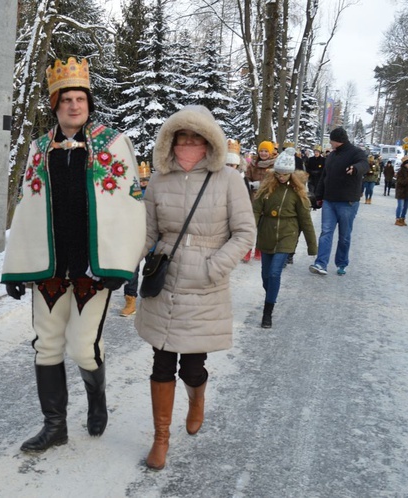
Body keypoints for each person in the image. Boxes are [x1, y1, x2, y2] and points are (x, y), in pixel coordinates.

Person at [1, 57, 146, 452]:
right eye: (66, 99)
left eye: (80, 98)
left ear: (89, 103)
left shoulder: (113, 145)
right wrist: (17, 269)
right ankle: (55, 426)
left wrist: (121, 266)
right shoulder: (38, 149)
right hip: (50, 269)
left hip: (91, 270)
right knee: (46, 345)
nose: (74, 105)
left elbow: (131, 206)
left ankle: (96, 399)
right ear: (55, 104)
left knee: (83, 347)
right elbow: (26, 210)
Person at [135, 105, 256, 470]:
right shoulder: (159, 179)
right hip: (165, 280)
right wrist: (123, 265)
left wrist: (214, 266)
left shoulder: (229, 180)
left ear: (209, 141)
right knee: (161, 363)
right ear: (170, 141)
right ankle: (161, 439)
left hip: (204, 284)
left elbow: (245, 232)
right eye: (181, 137)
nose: (188, 144)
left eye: (195, 138)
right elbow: (148, 232)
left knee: (191, 367)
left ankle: (196, 397)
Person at [253, 148, 317, 328]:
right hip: (267, 233)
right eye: (279, 174)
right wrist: (250, 228)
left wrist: (313, 246)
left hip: (287, 234)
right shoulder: (267, 188)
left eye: (285, 174)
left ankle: (267, 312)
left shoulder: (297, 192)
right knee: (266, 275)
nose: (281, 177)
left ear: (291, 174)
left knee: (274, 272)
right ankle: (270, 295)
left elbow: (305, 220)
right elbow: (256, 210)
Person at [309, 127, 367, 276]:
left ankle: (342, 263)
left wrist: (355, 168)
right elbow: (324, 177)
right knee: (326, 232)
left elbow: (364, 164)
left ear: (337, 140)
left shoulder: (356, 153)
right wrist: (318, 196)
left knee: (344, 235)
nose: (330, 143)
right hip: (329, 200)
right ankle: (321, 263)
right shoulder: (332, 156)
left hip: (347, 201)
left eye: (331, 140)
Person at [121, 162, 152, 317]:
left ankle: (152, 299)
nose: (142, 182)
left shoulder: (155, 192)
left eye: (145, 179)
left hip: (152, 238)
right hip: (134, 236)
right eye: (141, 180)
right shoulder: (131, 192)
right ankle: (130, 299)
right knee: (132, 271)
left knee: (152, 270)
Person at [244, 140, 276, 261]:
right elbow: (247, 178)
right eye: (261, 151)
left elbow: (275, 181)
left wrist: (261, 185)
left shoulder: (274, 165)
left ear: (271, 152)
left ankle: (259, 249)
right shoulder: (252, 164)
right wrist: (250, 184)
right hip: (253, 199)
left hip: (268, 198)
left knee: (263, 228)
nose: (263, 153)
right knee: (251, 226)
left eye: (266, 151)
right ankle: (247, 250)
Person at [394, 157, 408, 226]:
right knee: (400, 205)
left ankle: (402, 218)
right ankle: (397, 219)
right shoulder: (401, 171)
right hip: (401, 191)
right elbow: (400, 181)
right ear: (405, 164)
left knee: (406, 206)